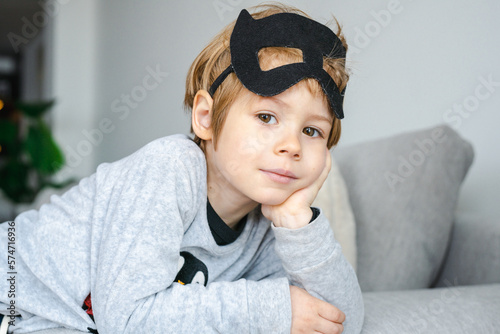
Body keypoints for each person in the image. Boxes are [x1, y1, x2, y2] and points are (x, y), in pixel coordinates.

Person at [0, 3, 364, 333]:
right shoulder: (170, 168)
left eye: (312, 130)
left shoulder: (272, 227)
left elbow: (338, 319)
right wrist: (271, 309)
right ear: (206, 118)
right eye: (267, 116)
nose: (292, 145)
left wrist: (298, 225)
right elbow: (127, 318)